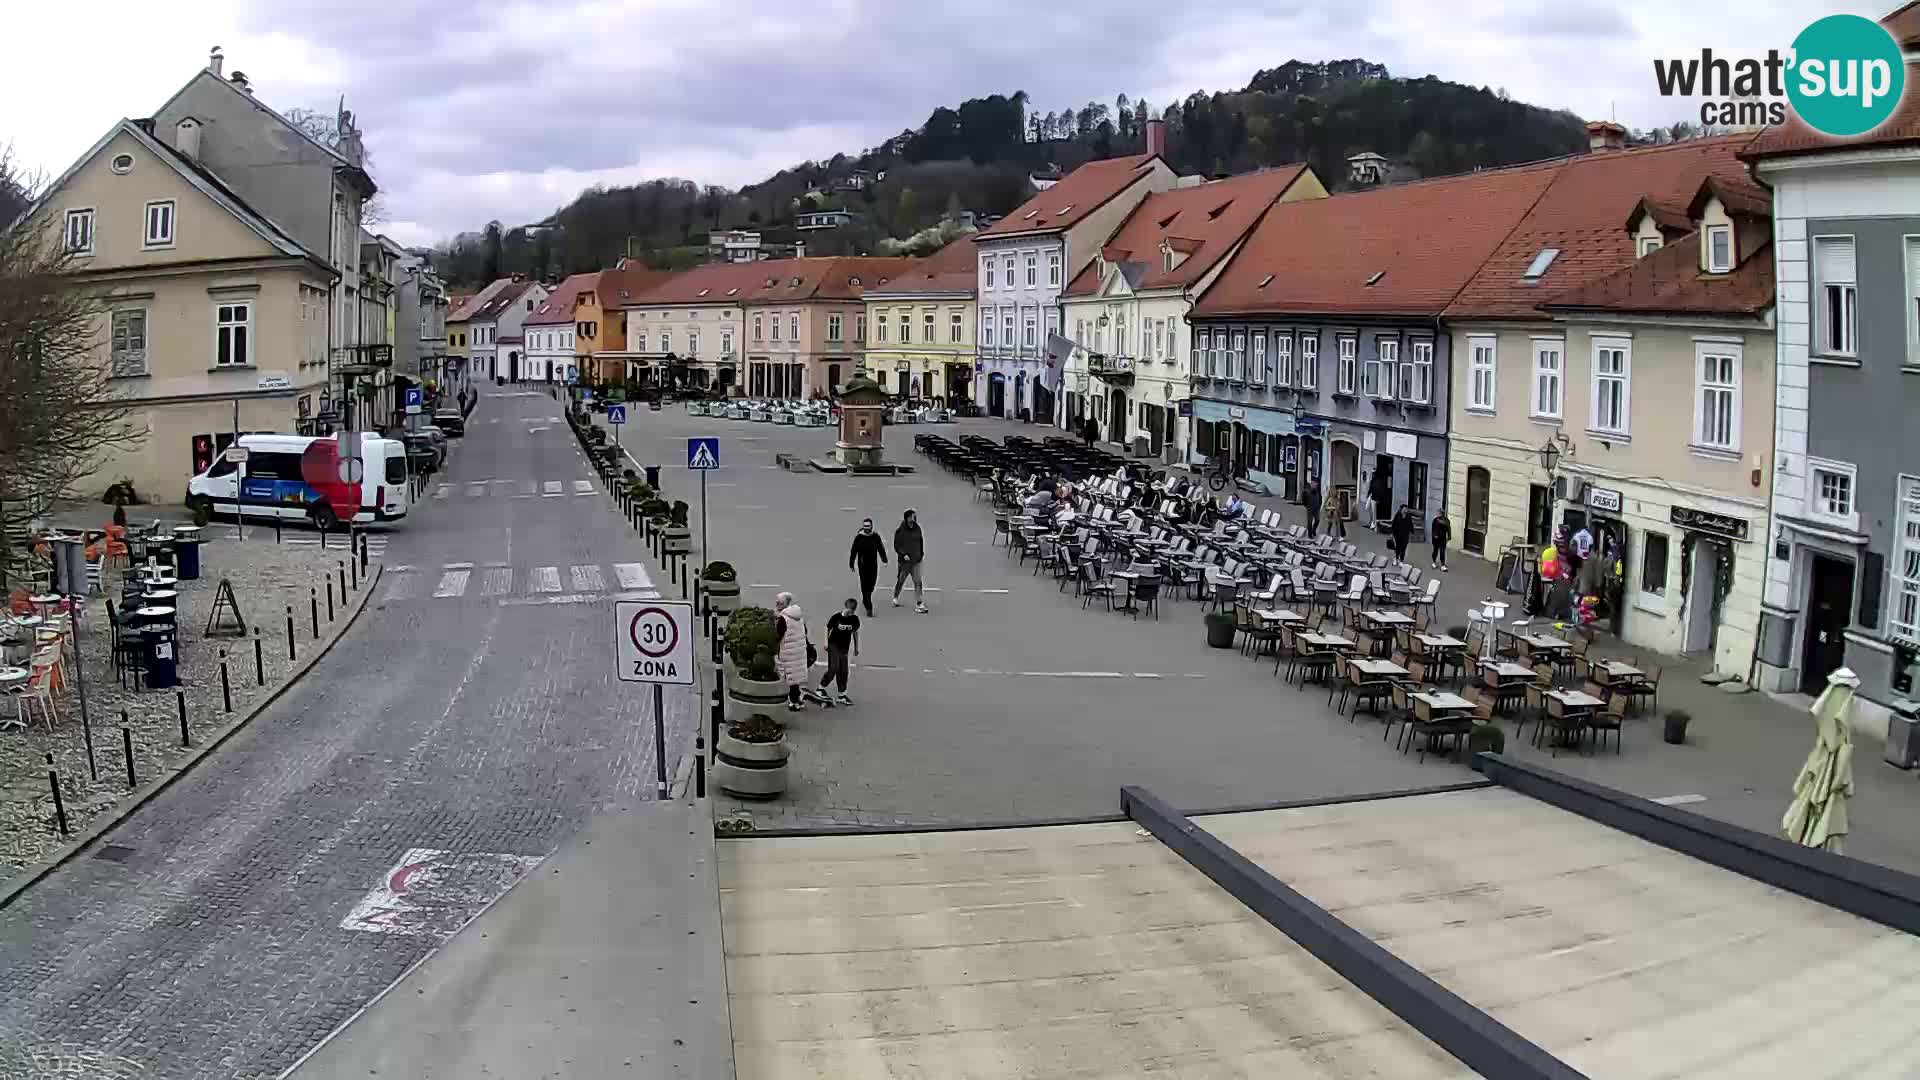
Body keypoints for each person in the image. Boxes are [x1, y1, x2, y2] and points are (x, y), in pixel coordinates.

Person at [772, 592, 812, 712]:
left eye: (779, 602)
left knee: (789, 677)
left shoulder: (783, 619)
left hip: (787, 652)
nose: (777, 604)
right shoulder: (798, 615)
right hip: (798, 651)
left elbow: (777, 636)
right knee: (795, 676)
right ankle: (797, 699)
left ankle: (792, 701)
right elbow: (804, 631)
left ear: (785, 604)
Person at [817, 598, 860, 706]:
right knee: (834, 667)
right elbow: (827, 628)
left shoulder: (854, 619)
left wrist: (856, 647)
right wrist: (826, 642)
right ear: (845, 607)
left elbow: (855, 633)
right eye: (849, 611)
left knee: (844, 671)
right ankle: (820, 688)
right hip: (833, 645)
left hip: (844, 648)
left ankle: (842, 694)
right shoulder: (836, 617)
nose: (850, 614)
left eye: (852, 612)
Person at [848, 518, 888, 616]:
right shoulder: (859, 537)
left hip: (873, 565)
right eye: (865, 526)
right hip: (862, 566)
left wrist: (884, 559)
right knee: (864, 586)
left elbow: (880, 548)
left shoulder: (875, 536)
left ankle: (866, 598)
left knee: (872, 585)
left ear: (871, 526)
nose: (866, 528)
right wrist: (851, 563)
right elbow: (853, 551)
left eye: (868, 526)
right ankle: (868, 606)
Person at [892, 509, 928, 613]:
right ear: (907, 518)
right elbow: (897, 546)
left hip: (916, 560)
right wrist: (903, 555)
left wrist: (921, 553)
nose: (915, 518)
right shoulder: (900, 531)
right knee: (901, 579)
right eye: (913, 516)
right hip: (905, 562)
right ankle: (895, 596)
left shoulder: (917, 528)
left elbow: (921, 540)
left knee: (918, 581)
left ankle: (919, 603)